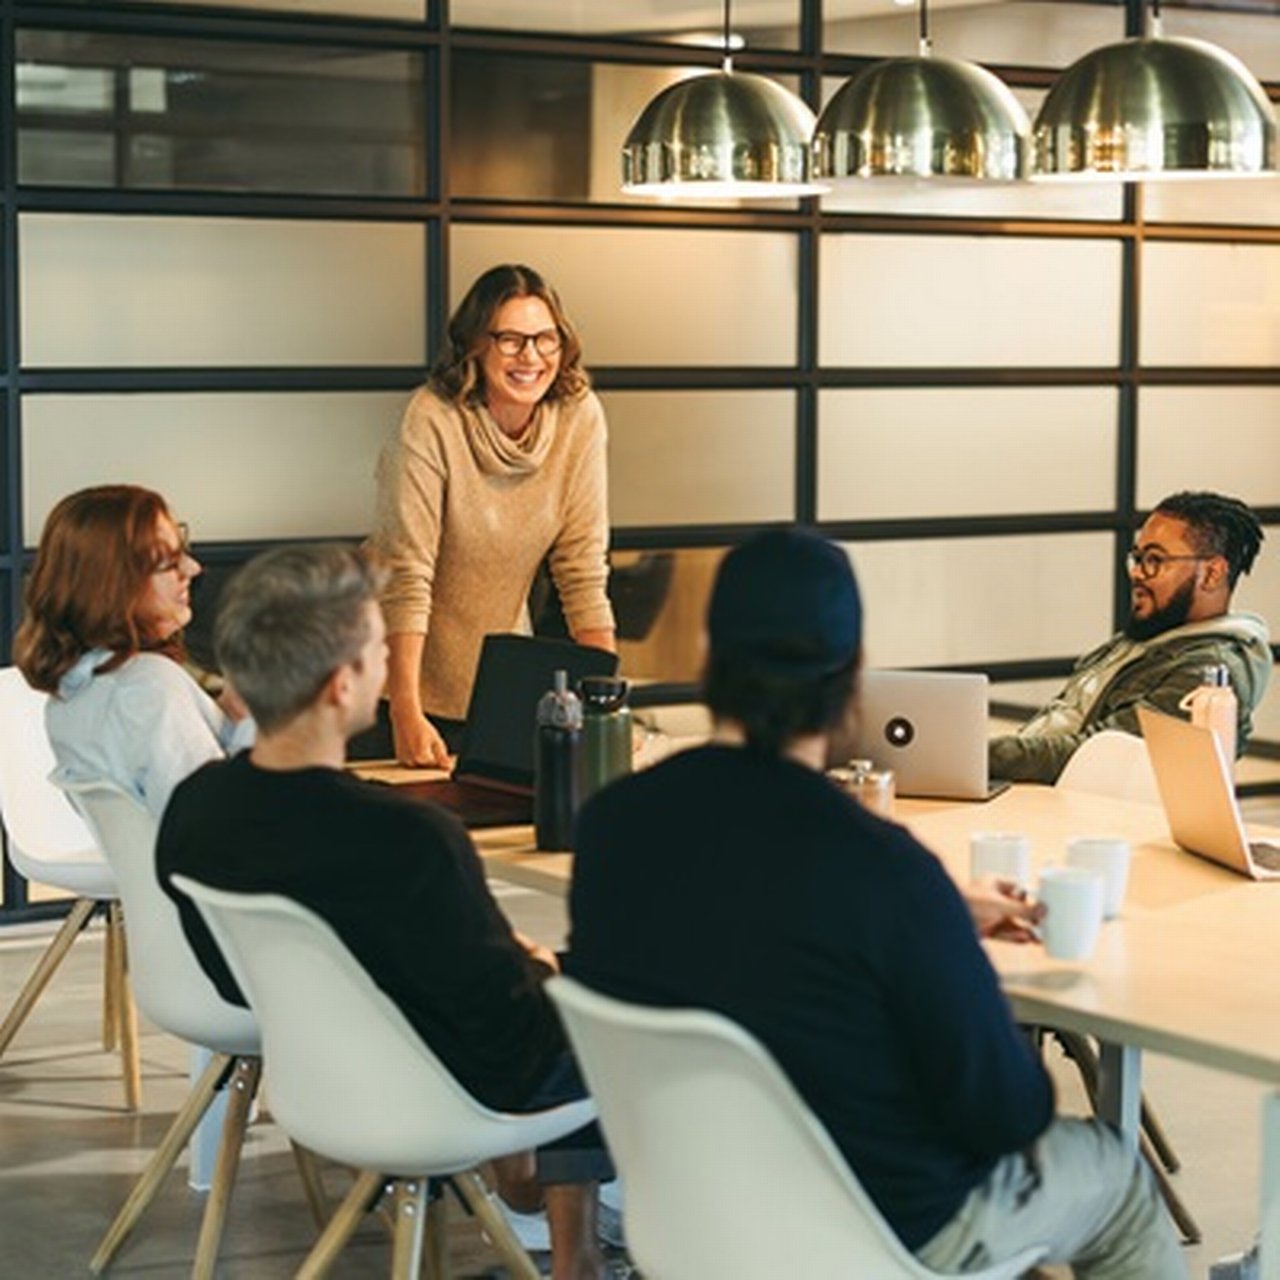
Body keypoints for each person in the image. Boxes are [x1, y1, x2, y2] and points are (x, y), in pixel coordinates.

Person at [567, 529, 1184, 1277]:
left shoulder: (611, 825)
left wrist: (935, 920)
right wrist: (940, 937)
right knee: (1114, 1176)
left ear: (707, 657)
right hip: (886, 1231)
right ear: (853, 680)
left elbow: (748, 925)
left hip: (695, 1219)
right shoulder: (882, 870)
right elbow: (1005, 1114)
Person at [155, 544, 614, 1280]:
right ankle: (579, 1252)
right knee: (610, 1002)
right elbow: (511, 1038)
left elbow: (238, 980)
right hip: (442, 1092)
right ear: (342, 686)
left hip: (324, 1084)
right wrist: (539, 966)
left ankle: (550, 1217)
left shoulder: (196, 810)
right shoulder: (409, 837)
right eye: (378, 650)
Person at [367, 263, 616, 767]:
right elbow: (406, 576)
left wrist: (606, 707)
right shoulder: (432, 418)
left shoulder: (578, 416)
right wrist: (406, 713)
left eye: (545, 339)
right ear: (475, 345)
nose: (531, 357)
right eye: (510, 340)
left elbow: (583, 571)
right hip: (394, 685)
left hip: (495, 684)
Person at [991, 490, 1270, 784]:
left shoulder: (1207, 673)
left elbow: (1091, 755)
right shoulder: (1143, 641)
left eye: (1154, 560)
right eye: (1137, 558)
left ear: (1212, 574)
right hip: (1026, 788)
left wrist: (983, 756)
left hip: (1070, 805)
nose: (1137, 573)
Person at [14, 484, 252, 818]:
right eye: (169, 563)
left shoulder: (74, 695)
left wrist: (234, 715)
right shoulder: (149, 687)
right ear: (113, 585)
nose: (193, 569)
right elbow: (216, 825)